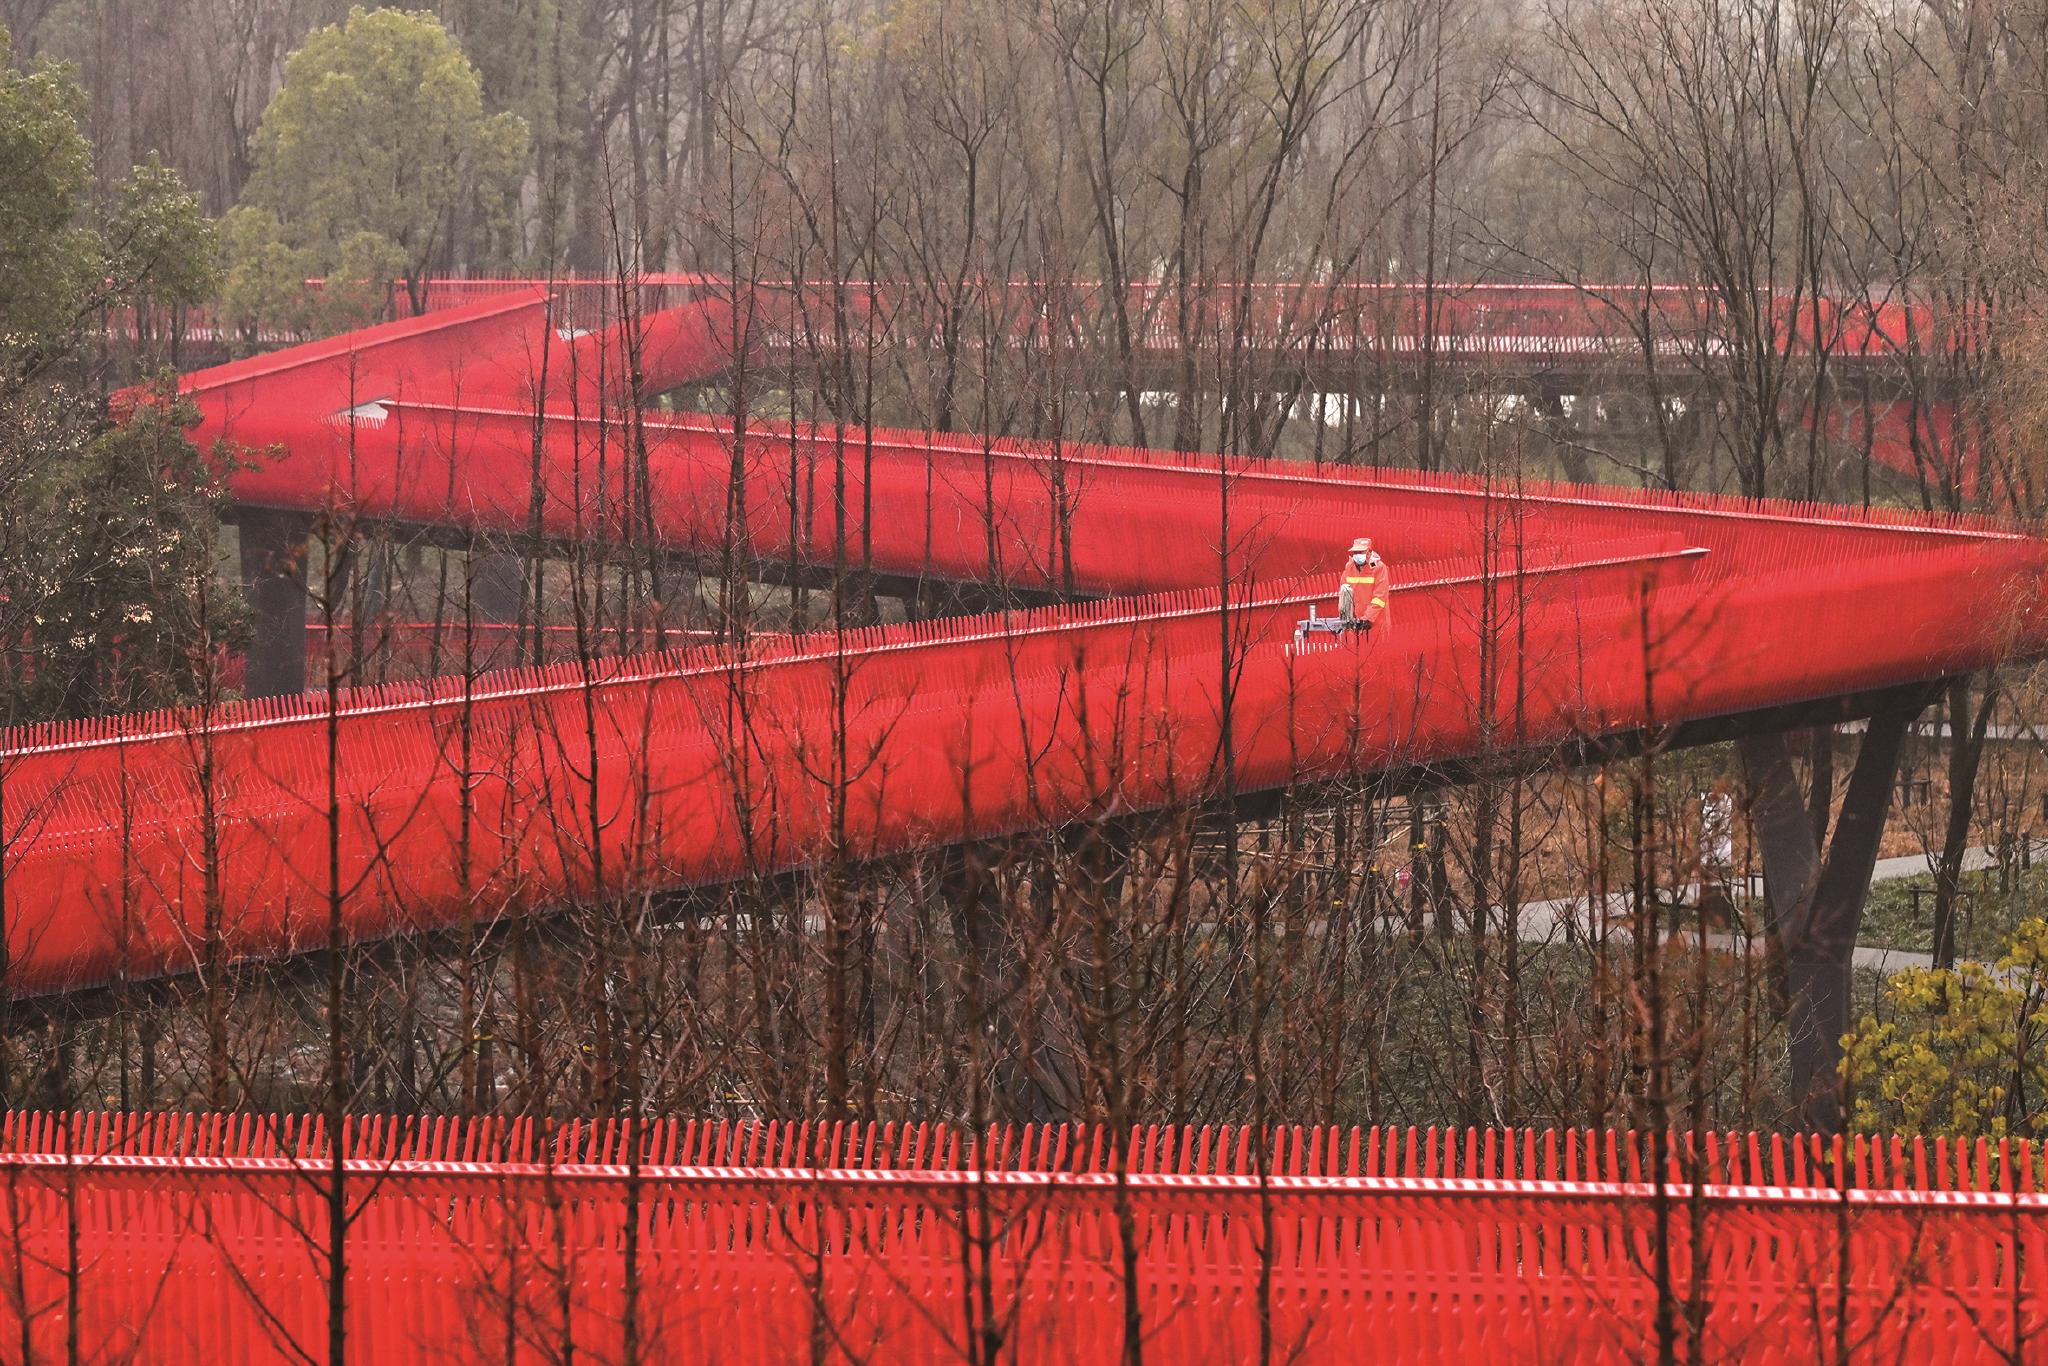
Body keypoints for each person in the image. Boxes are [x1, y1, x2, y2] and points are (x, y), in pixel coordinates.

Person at [1337, 536, 1390, 631]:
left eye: (1361, 552)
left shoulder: (1379, 568)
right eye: (1355, 552)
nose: (1357, 555)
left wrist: (1368, 618)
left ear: (1369, 552)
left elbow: (1379, 598)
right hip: (1356, 623)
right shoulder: (1349, 567)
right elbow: (1344, 594)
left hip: (1376, 623)